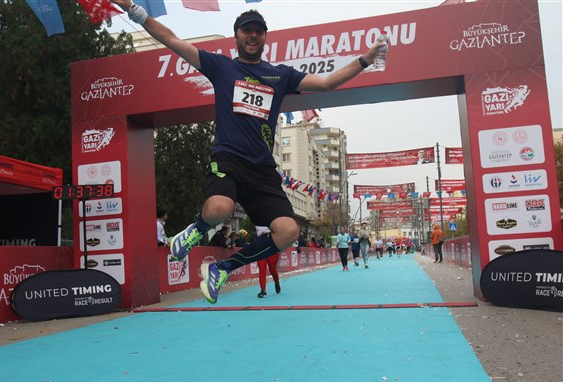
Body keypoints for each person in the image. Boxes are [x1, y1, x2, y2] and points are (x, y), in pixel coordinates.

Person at [110, 1, 382, 303]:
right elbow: (172, 40)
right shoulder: (221, 66)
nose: (253, 35)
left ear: (264, 38)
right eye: (247, 30)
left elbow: (328, 83)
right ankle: (197, 229)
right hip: (228, 158)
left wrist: (365, 60)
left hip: (262, 170)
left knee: (288, 231)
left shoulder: (280, 75)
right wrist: (134, 10)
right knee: (219, 208)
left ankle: (223, 269)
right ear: (236, 35)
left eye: (258, 31)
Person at [255, 226, 281, 298]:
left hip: (272, 249)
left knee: (272, 270)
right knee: (262, 270)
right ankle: (263, 291)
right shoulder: (256, 222)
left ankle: (276, 282)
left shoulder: (272, 222)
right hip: (261, 249)